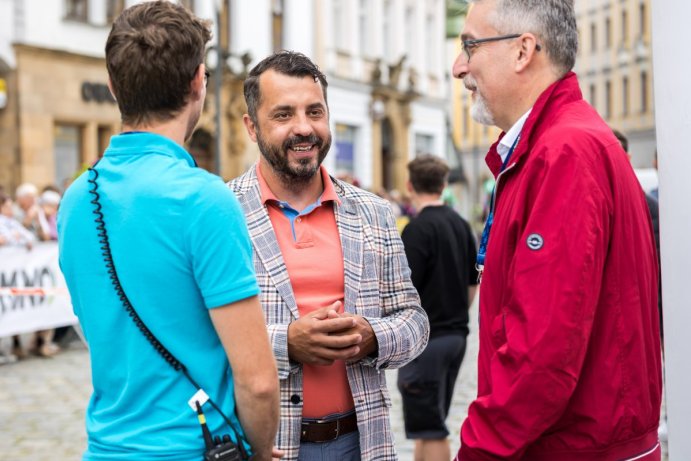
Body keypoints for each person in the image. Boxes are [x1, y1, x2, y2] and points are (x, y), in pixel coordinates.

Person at [57, 2, 279, 460]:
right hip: (192, 447)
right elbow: (257, 382)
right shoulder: (203, 199)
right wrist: (256, 450)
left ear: (115, 86)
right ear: (199, 80)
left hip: (106, 447)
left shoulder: (77, 199)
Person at [451, 1, 662, 460]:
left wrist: (479, 451)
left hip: (573, 447)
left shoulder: (563, 151)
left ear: (523, 50)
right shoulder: (562, 142)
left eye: (470, 45)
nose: (458, 67)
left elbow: (542, 352)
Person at [228, 51, 430, 461]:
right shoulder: (221, 212)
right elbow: (195, 334)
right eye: (283, 115)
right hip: (263, 446)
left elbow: (415, 321)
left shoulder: (372, 212)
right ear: (252, 126)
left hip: (359, 442)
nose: (304, 128)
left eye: (314, 111)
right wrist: (287, 343)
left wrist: (372, 336)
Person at [397, 155, 479, 461]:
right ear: (444, 185)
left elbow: (406, 290)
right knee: (428, 423)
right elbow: (473, 284)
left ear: (409, 186)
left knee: (431, 428)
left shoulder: (416, 230)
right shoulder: (461, 224)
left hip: (426, 341)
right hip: (456, 336)